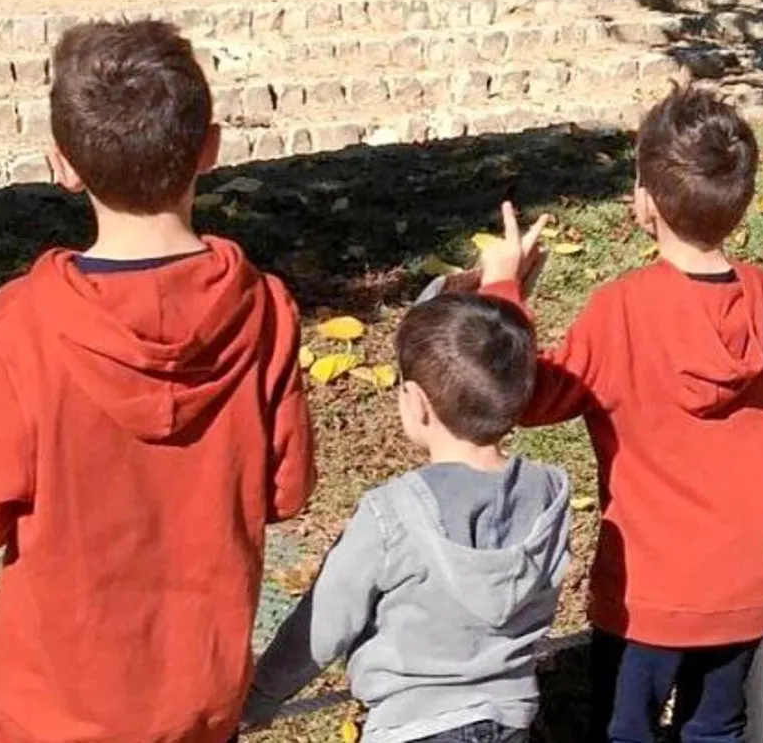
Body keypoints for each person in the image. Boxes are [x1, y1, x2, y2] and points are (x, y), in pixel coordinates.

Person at [0, 20, 316, 743]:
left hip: (50, 706)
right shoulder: (264, 311)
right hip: (197, 701)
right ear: (211, 148)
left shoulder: (24, 323)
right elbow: (285, 491)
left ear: (63, 164)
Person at [482, 84, 763, 743]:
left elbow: (524, 394)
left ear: (643, 200)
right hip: (744, 588)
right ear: (742, 200)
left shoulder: (619, 309)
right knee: (718, 727)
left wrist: (507, 292)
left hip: (643, 595)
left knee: (624, 728)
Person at [242, 290, 572, 743]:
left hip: (412, 727)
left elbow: (324, 622)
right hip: (510, 721)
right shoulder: (549, 493)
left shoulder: (392, 513)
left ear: (415, 403)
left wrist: (261, 696)